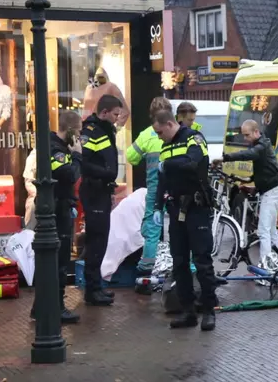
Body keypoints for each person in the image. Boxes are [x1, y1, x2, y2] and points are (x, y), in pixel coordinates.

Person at [153, 110, 217, 330]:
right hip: (176, 208)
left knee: (202, 260)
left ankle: (209, 310)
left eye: (160, 132)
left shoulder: (194, 138)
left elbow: (191, 162)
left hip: (197, 207)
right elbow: (161, 180)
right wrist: (157, 206)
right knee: (179, 261)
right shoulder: (165, 146)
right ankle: (188, 311)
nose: (159, 136)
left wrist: (167, 165)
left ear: (170, 124)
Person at [30, 110, 84, 323]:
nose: (79, 137)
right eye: (78, 131)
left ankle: (40, 307)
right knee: (58, 261)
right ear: (70, 130)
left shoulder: (58, 147)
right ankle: (57, 308)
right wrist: (78, 155)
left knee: (52, 261)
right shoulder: (56, 150)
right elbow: (70, 175)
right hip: (55, 210)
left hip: (58, 208)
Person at [212, 119, 278, 264]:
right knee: (271, 231)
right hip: (269, 191)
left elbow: (248, 154)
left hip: (271, 193)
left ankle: (266, 268)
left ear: (256, 132)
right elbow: (265, 172)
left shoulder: (261, 147)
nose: (245, 139)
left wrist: (225, 158)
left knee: (263, 231)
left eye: (247, 135)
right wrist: (250, 182)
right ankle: (277, 264)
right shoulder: (262, 145)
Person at [79, 94, 123, 306]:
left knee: (101, 240)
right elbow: (84, 163)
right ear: (104, 112)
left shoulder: (105, 130)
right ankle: (92, 290)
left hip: (103, 191)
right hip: (94, 191)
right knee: (95, 240)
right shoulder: (90, 132)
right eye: (115, 114)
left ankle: (96, 287)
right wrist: (106, 175)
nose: (117, 118)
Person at [126, 97, 173, 276]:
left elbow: (131, 157)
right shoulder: (178, 131)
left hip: (155, 190)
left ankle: (146, 270)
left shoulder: (147, 134)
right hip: (176, 189)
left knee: (152, 230)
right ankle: (188, 269)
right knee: (181, 228)